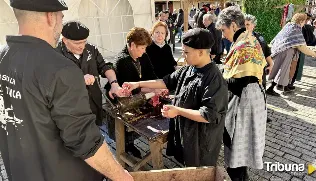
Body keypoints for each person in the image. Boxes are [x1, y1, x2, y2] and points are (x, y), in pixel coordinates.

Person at [0, 0, 133, 181]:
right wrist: (120, 176)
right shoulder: (59, 67)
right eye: (61, 18)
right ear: (50, 17)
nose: (61, 23)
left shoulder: (3, 57)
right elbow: (85, 141)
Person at [122, 28, 228, 167]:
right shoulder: (189, 68)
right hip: (187, 133)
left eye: (186, 52)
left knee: (199, 169)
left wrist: (177, 111)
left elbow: (207, 115)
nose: (183, 56)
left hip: (202, 139)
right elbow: (165, 82)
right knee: (188, 164)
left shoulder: (214, 79)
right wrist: (137, 84)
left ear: (201, 52)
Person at [216, 6, 267, 180]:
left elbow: (238, 82)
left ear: (233, 25)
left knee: (237, 151)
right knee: (241, 151)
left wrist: (217, 78)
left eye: (223, 30)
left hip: (245, 100)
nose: (223, 35)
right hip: (252, 97)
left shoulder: (243, 46)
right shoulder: (248, 39)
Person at [56, 21, 124, 126]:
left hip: (94, 103)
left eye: (84, 41)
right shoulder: (55, 55)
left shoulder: (91, 49)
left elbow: (105, 67)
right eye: (77, 43)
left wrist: (114, 84)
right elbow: (55, 82)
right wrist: (79, 79)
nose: (82, 46)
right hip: (73, 111)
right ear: (65, 40)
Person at [105, 27, 158, 159]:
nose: (144, 51)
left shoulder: (143, 56)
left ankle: (130, 144)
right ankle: (126, 147)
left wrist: (157, 86)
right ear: (132, 45)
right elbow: (133, 89)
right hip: (120, 101)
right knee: (124, 129)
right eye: (142, 48)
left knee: (135, 126)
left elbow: (151, 75)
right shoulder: (123, 61)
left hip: (136, 96)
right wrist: (154, 90)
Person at [266, 13, 316, 94]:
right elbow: (301, 46)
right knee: (282, 70)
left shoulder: (289, 25)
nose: (305, 23)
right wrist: (313, 53)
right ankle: (270, 88)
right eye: (304, 21)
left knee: (279, 69)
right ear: (301, 21)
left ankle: (281, 87)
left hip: (280, 50)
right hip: (286, 52)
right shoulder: (296, 28)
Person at [245, 14, 274, 123]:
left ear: (253, 25)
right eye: (244, 24)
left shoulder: (259, 37)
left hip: (260, 70)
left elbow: (266, 51)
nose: (246, 27)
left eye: (248, 24)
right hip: (247, 71)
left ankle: (262, 113)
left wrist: (271, 64)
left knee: (261, 91)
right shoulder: (240, 38)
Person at [289, 13, 316, 90]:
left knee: (291, 67)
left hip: (293, 49)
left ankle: (286, 83)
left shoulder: (291, 26)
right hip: (298, 50)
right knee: (295, 67)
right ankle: (289, 83)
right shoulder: (305, 27)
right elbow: (309, 40)